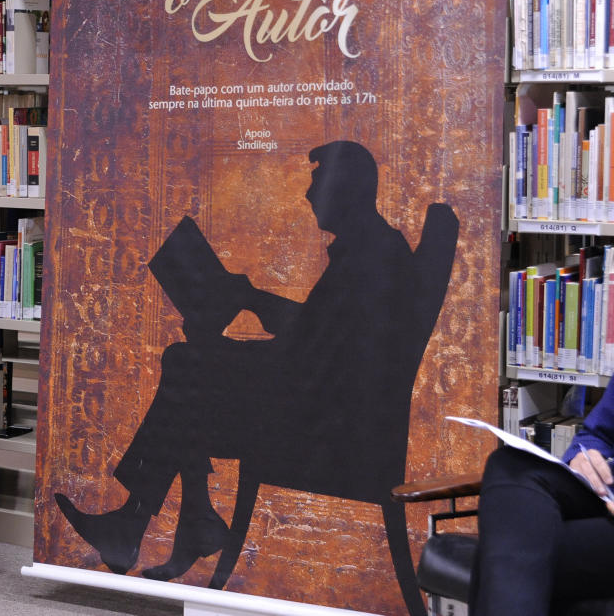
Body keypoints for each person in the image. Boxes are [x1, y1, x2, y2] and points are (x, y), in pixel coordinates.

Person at [55, 141, 454, 589]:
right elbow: (320, 336)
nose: (307, 195)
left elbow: (312, 356)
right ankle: (186, 524)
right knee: (190, 369)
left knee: (186, 368)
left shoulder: (370, 257)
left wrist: (229, 342)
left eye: (316, 182)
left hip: (324, 433)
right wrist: (249, 300)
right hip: (325, 411)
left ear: (345, 189)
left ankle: (161, 523)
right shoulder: (375, 249)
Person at [471, 385, 614, 615]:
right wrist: (583, 455)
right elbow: (597, 434)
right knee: (510, 465)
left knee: (502, 552)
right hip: (607, 491)